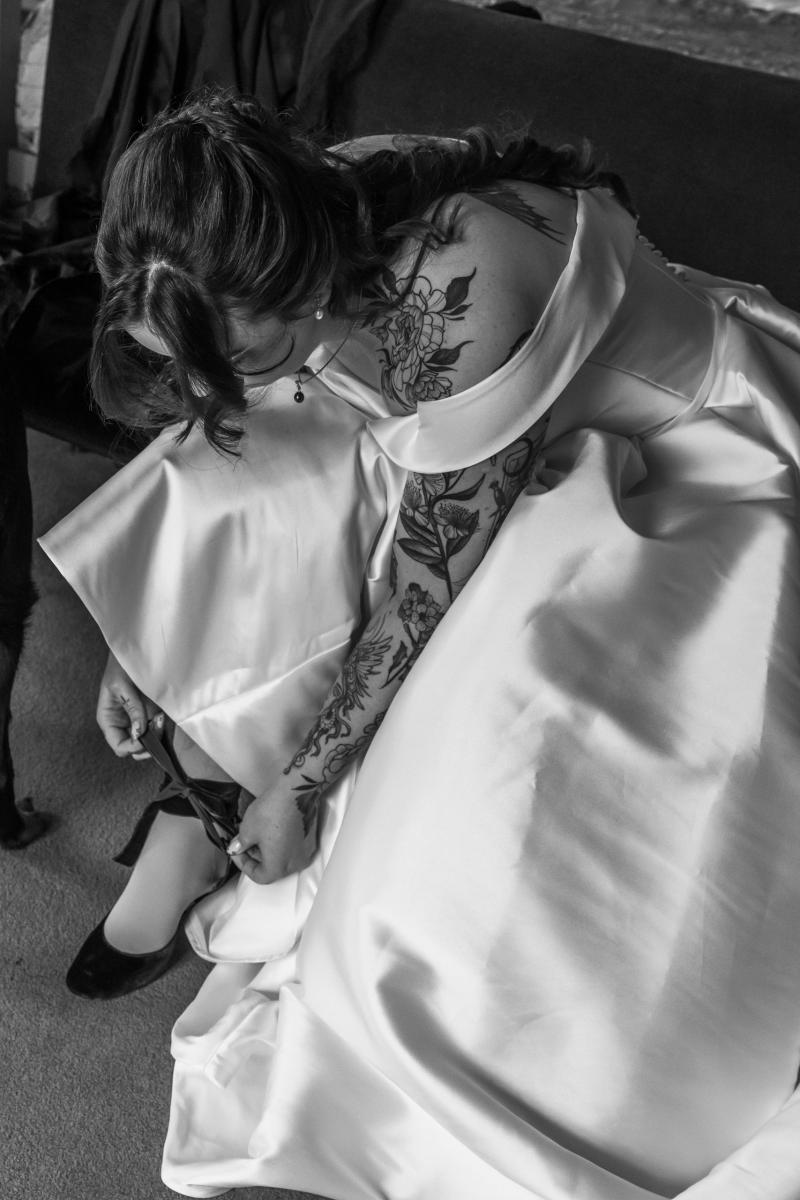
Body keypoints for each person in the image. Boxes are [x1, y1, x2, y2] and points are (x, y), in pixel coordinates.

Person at [40, 88, 800, 1199]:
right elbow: (225, 431)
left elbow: (418, 594)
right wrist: (147, 645)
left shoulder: (460, 301)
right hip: (480, 438)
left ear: (298, 288)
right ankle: (188, 811)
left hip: (685, 463)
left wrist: (300, 788)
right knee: (238, 486)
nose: (215, 382)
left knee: (488, 739)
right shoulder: (291, 214)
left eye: (236, 351)